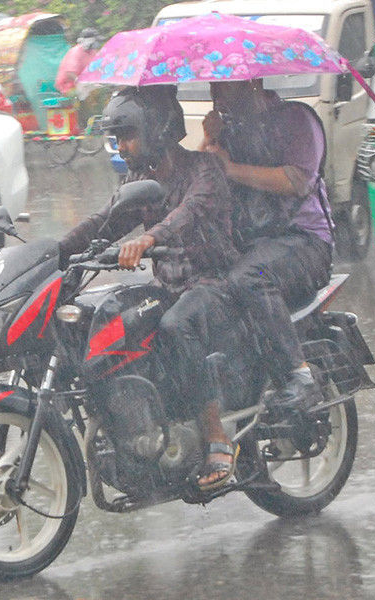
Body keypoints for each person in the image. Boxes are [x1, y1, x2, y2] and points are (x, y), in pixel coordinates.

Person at [59, 85, 241, 491]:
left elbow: (187, 213)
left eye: (127, 135)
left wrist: (148, 238)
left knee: (177, 325)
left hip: (214, 283)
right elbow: (104, 222)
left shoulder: (204, 170)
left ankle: (216, 438)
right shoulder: (139, 180)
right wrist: (52, 254)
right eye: (116, 137)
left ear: (157, 129)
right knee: (107, 317)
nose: (121, 146)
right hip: (169, 285)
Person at [199, 79, 334, 414]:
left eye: (226, 88)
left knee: (249, 277)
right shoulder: (229, 130)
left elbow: (297, 181)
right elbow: (201, 181)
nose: (219, 97)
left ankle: (298, 375)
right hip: (251, 243)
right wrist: (209, 140)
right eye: (214, 88)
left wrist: (230, 168)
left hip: (304, 242)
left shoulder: (296, 120)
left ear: (253, 83)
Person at [55, 28, 102, 95]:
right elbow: (70, 73)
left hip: (86, 85)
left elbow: (97, 67)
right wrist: (82, 82)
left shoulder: (92, 52)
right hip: (69, 88)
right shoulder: (75, 52)